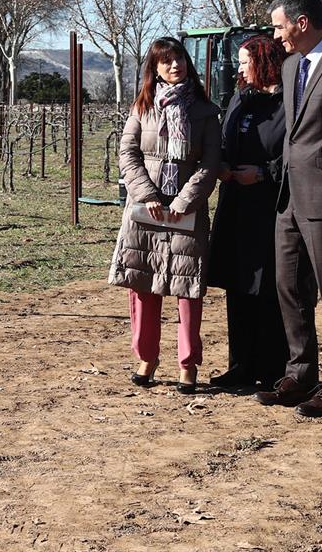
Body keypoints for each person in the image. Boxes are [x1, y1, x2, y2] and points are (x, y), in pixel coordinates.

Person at [256, 0, 322, 418]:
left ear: (302, 23)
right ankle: (301, 374)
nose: (276, 36)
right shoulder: (289, 66)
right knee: (289, 288)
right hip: (288, 201)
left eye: (280, 27)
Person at [109, 37, 220, 395]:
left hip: (186, 213)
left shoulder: (205, 111)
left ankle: (188, 364)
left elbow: (210, 163)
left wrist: (185, 200)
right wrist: (147, 194)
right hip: (146, 209)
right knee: (144, 286)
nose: (175, 66)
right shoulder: (142, 108)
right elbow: (128, 153)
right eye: (167, 61)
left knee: (188, 290)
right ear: (154, 68)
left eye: (179, 60)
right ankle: (147, 358)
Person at [206, 34, 289, 391]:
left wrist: (265, 173)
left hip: (271, 207)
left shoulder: (290, 101)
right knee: (239, 286)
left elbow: (295, 152)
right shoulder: (241, 98)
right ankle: (240, 365)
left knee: (269, 288)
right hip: (236, 204)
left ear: (265, 61)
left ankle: (274, 369)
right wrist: (220, 164)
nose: (239, 69)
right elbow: (224, 142)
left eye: (245, 62)